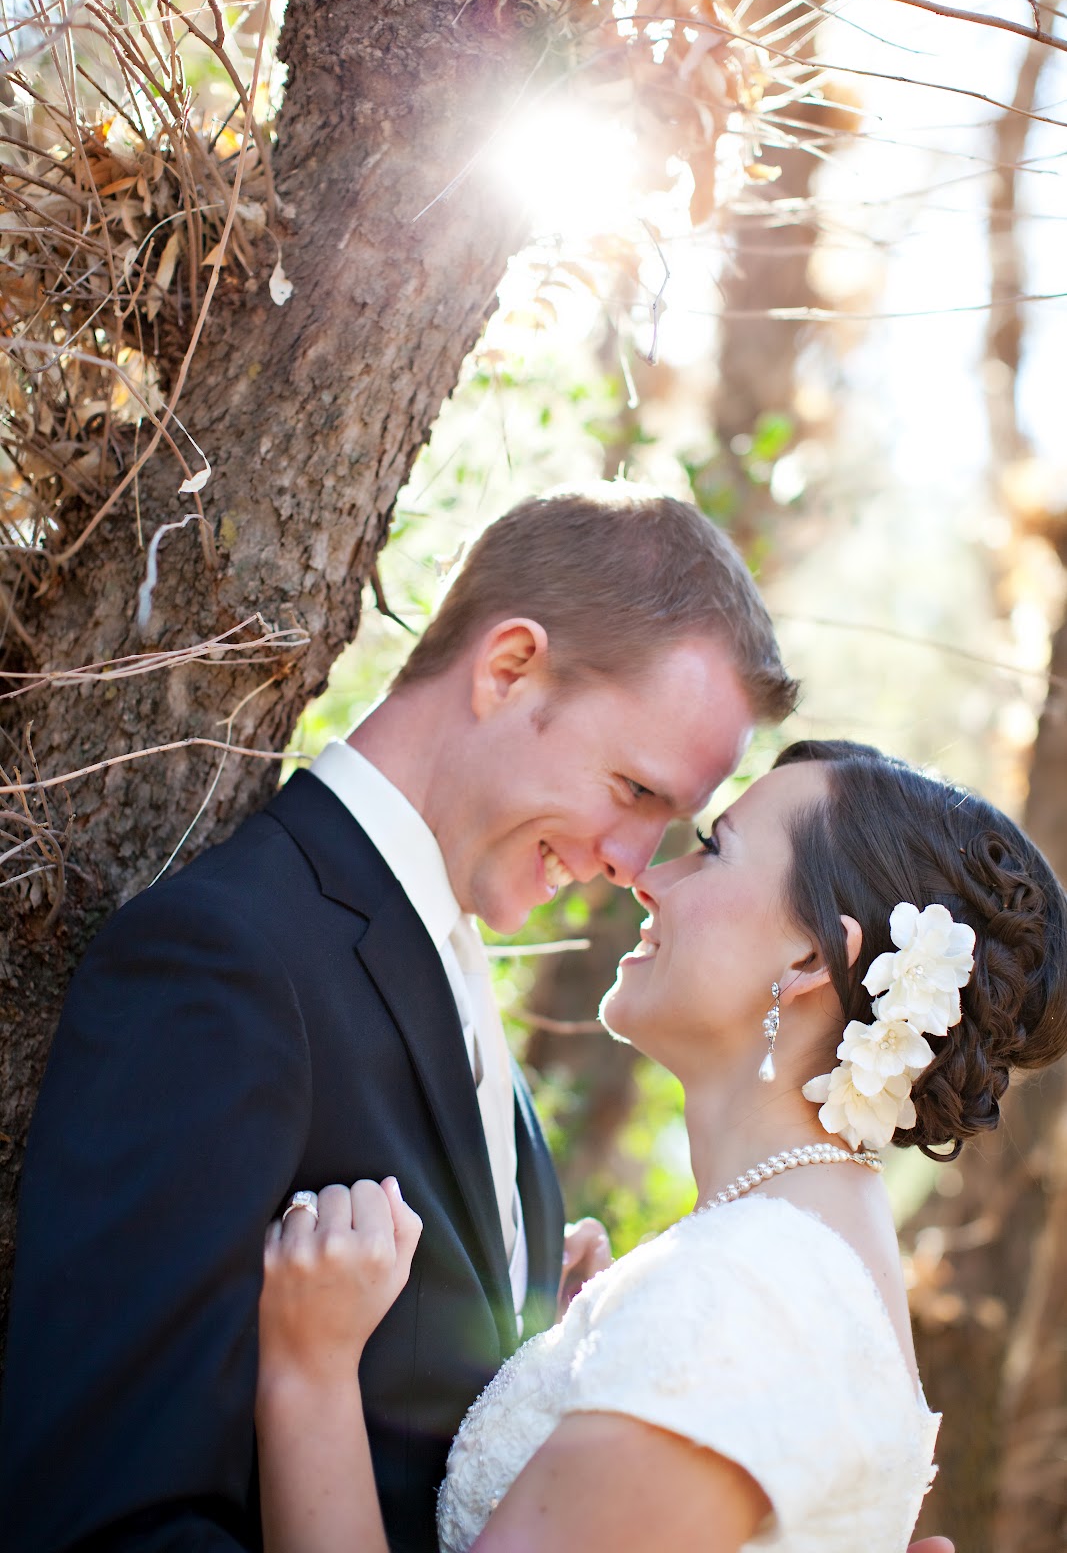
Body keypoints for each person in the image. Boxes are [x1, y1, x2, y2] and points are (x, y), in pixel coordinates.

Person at [0, 492, 797, 1553]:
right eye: (631, 789)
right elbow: (103, 1516)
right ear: (507, 665)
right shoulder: (223, 965)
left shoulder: (455, 989)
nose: (630, 865)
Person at [253, 738, 1067, 1553]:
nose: (650, 875)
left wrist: (309, 1371)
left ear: (810, 956)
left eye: (714, 850)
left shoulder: (743, 1306)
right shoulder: (787, 1277)